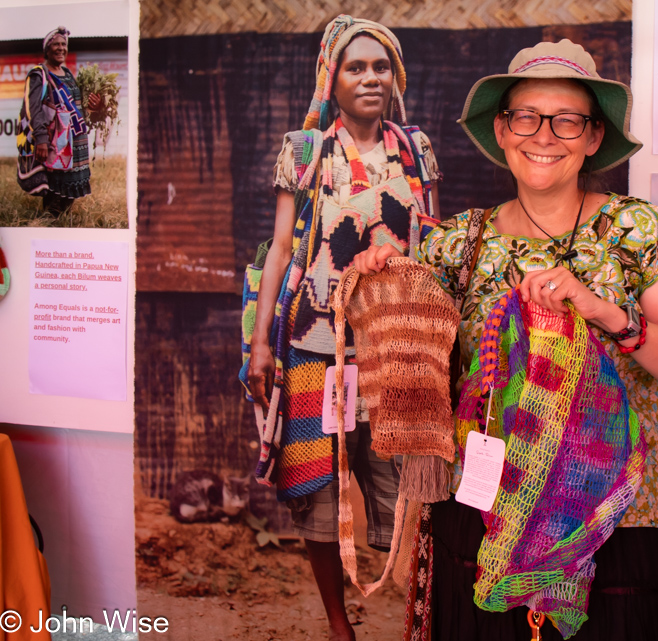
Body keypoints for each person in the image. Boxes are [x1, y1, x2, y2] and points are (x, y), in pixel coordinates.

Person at [355, 39, 658, 640]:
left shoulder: (635, 232)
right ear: (502, 129)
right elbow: (425, 363)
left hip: (609, 524)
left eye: (567, 120)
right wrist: (395, 275)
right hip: (479, 521)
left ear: (594, 137)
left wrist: (605, 312)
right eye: (526, 116)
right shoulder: (456, 244)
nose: (544, 135)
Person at [244, 15, 440, 641]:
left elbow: (431, 243)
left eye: (381, 66)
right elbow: (280, 250)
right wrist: (258, 344)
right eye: (355, 66)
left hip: (397, 346)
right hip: (317, 346)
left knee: (400, 472)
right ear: (331, 77)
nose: (370, 78)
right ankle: (338, 625)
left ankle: (412, 604)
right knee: (318, 477)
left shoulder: (414, 149)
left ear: (396, 76)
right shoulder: (304, 151)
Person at [16, 26, 101, 216]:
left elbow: (76, 108)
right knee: (55, 192)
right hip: (56, 143)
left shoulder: (68, 74)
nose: (61, 48)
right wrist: (41, 139)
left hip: (75, 143)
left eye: (64, 44)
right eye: (56, 44)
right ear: (47, 49)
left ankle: (62, 224)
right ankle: (48, 224)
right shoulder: (39, 74)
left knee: (69, 193)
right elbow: (33, 109)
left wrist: (94, 107)